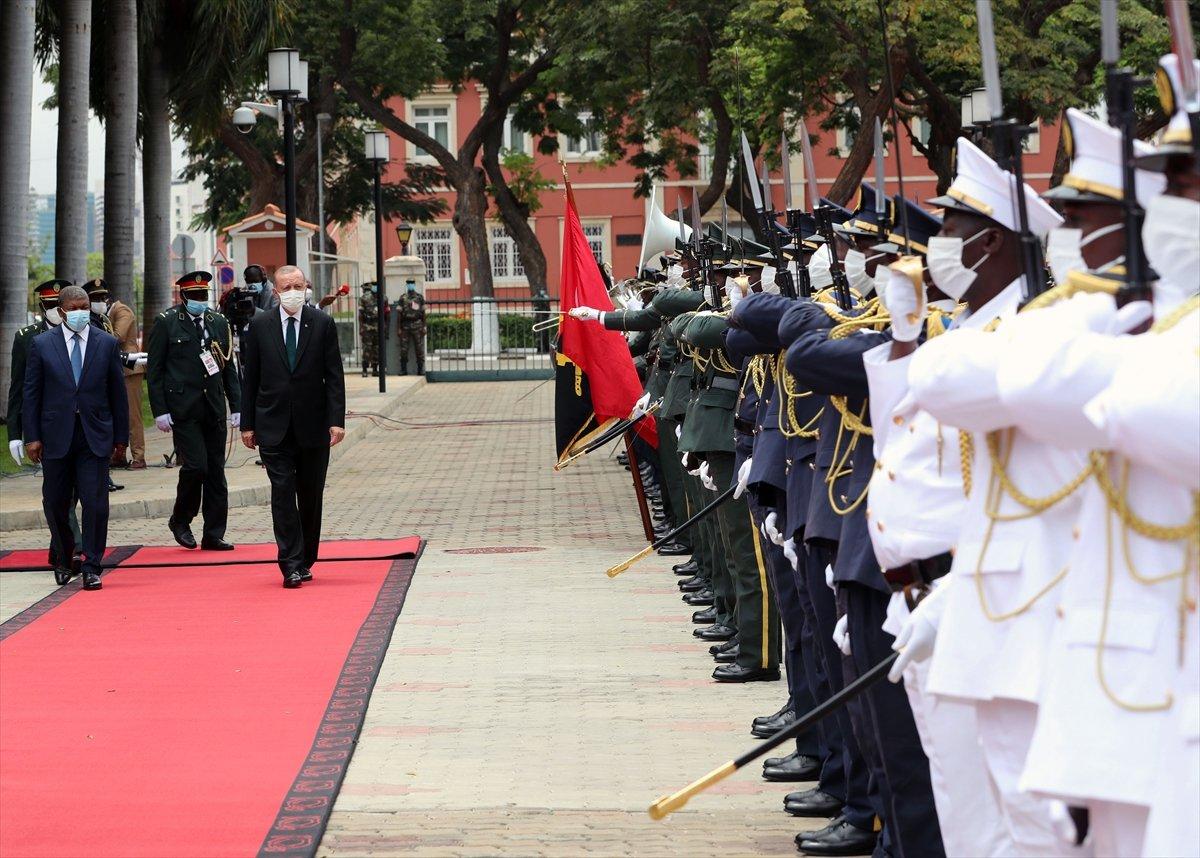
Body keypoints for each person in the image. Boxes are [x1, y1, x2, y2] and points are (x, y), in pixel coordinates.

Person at [240, 264, 346, 588]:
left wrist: (336, 421)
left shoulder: (323, 323)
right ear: (275, 292)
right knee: (283, 492)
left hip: (313, 426)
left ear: (306, 287)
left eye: (297, 285)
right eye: (286, 287)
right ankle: (290, 562)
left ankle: (307, 556)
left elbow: (334, 377)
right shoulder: (259, 325)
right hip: (273, 425)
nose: (292, 292)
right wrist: (247, 424)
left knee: (310, 495)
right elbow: (251, 377)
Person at [22, 285, 129, 590]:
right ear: (61, 311)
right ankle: (64, 555)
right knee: (56, 502)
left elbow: (117, 395)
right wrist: (32, 437)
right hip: (55, 436)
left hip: (94, 436)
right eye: (76, 307)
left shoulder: (106, 343)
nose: (83, 311)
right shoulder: (42, 344)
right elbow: (32, 394)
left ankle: (92, 565)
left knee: (96, 503)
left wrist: (121, 439)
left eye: (86, 306)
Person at [147, 271, 242, 551]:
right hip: (183, 408)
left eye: (204, 295)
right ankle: (181, 519)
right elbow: (155, 371)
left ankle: (213, 533)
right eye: (195, 296)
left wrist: (236, 405)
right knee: (196, 466)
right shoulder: (167, 323)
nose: (201, 301)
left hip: (212, 406)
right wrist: (160, 410)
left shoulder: (218, 322)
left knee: (216, 472)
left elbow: (228, 368)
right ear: (183, 296)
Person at [103, 282, 147, 469]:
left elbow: (117, 336)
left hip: (129, 370)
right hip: (114, 369)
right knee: (116, 414)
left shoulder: (123, 311)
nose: (97, 303)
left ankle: (139, 456)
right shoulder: (107, 314)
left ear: (107, 299)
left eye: (99, 299)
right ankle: (119, 454)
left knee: (132, 415)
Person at [397, 279, 427, 375]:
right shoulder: (402, 298)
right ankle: (403, 369)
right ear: (407, 285)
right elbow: (399, 314)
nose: (410, 285)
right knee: (403, 349)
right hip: (405, 325)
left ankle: (420, 369)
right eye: (409, 284)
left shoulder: (419, 298)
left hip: (417, 325)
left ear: (414, 285)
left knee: (419, 348)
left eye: (412, 284)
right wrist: (399, 328)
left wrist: (424, 326)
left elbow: (423, 313)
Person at [359, 281, 380, 377]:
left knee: (377, 349)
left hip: (378, 326)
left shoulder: (382, 298)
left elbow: (386, 314)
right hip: (367, 325)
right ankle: (364, 370)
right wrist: (362, 327)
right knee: (367, 348)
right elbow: (360, 314)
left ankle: (375, 369)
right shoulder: (364, 298)